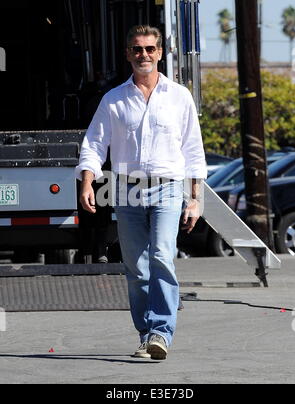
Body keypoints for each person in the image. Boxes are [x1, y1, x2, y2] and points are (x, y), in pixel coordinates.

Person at [75, 25, 207, 360]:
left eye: (150, 49)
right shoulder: (114, 100)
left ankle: (161, 332)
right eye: (137, 49)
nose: (143, 55)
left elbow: (193, 151)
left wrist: (195, 198)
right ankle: (146, 334)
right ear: (128, 54)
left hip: (166, 189)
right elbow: (93, 144)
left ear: (160, 53)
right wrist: (88, 182)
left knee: (162, 256)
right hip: (126, 190)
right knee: (136, 267)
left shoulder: (179, 97)